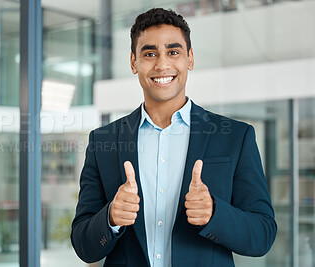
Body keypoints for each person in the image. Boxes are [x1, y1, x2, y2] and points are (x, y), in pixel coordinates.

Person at [71, 7, 277, 267]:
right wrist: (110, 218)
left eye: (173, 51)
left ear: (189, 58)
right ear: (134, 62)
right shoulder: (103, 142)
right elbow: (83, 244)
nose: (162, 64)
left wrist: (215, 213)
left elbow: (263, 235)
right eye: (149, 53)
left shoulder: (236, 137)